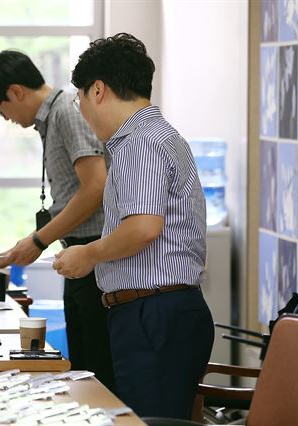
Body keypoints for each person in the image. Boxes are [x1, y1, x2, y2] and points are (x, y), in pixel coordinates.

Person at [53, 33, 214, 419]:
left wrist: (88, 254)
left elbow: (143, 227)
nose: (83, 113)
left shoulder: (139, 142)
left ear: (98, 90)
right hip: (159, 310)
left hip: (153, 313)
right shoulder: (157, 135)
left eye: (79, 101)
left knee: (147, 421)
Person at [0, 50, 114, 390]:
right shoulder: (51, 119)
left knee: (95, 372)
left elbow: (95, 188)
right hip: (79, 256)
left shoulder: (67, 111)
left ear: (16, 91)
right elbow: (70, 197)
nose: (3, 117)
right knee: (82, 369)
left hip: (94, 257)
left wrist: (39, 241)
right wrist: (18, 250)